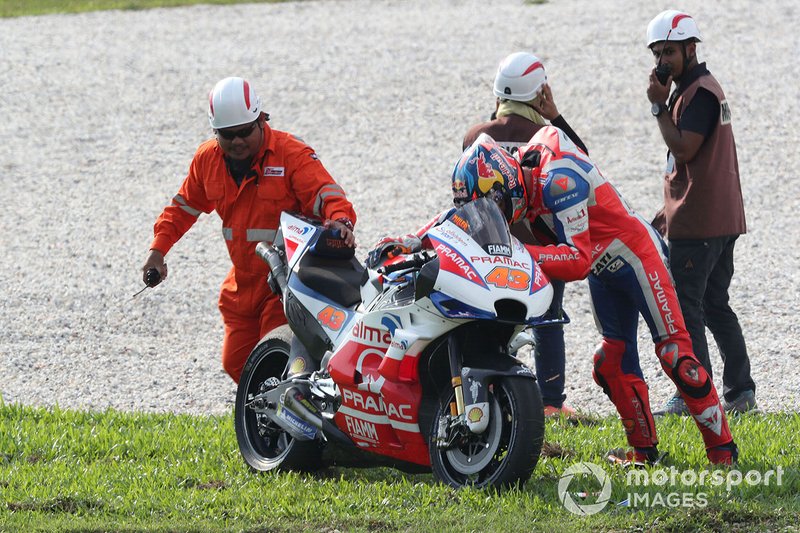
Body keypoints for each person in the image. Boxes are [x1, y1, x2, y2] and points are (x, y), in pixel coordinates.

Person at [448, 131, 738, 465]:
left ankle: (722, 451)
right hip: (605, 271)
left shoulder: (558, 180)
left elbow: (577, 260)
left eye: (491, 205)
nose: (491, 215)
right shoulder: (522, 181)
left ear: (503, 186)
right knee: (611, 362)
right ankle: (643, 451)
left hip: (637, 256)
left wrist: (522, 253)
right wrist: (416, 242)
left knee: (676, 356)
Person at [141, 77, 357, 383]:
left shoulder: (290, 154)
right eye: (228, 136)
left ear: (261, 120)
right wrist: (157, 251)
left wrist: (340, 221)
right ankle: (267, 426)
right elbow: (182, 209)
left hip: (287, 283)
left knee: (276, 359)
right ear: (215, 133)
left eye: (245, 132)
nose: (238, 142)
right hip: (242, 287)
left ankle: (296, 425)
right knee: (238, 363)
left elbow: (327, 194)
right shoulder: (207, 160)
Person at [461, 51, 588, 417]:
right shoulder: (547, 135)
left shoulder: (474, 136)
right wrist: (556, 116)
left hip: (487, 246)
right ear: (540, 93)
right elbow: (583, 163)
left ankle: (488, 393)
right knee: (547, 320)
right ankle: (550, 403)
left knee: (489, 320)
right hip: (541, 245)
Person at [645, 10, 757, 416]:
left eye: (670, 51)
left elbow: (685, 149)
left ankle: (695, 394)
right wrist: (666, 211)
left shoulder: (700, 94)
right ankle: (740, 392)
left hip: (702, 223)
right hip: (717, 217)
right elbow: (697, 164)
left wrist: (658, 108)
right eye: (657, 53)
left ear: (691, 49)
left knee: (687, 307)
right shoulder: (699, 89)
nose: (662, 61)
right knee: (714, 304)